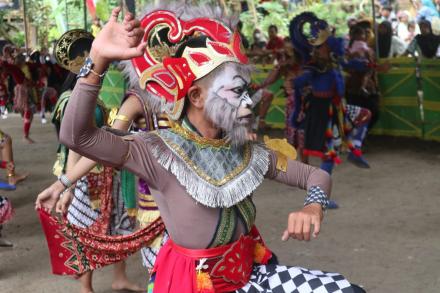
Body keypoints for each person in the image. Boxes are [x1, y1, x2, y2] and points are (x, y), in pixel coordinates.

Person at [38, 5, 366, 292]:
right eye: (234, 91)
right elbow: (77, 137)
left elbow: (315, 176)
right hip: (192, 286)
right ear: (196, 97)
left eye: (245, 90)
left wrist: (313, 206)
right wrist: (97, 60)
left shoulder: (246, 151)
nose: (246, 102)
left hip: (252, 277)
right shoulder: (156, 151)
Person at [37, 29, 145, 293]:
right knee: (85, 229)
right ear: (85, 58)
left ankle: (120, 277)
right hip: (86, 177)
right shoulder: (72, 99)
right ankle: (86, 286)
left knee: (119, 226)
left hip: (109, 171)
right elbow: (75, 146)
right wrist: (67, 186)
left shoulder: (93, 91)